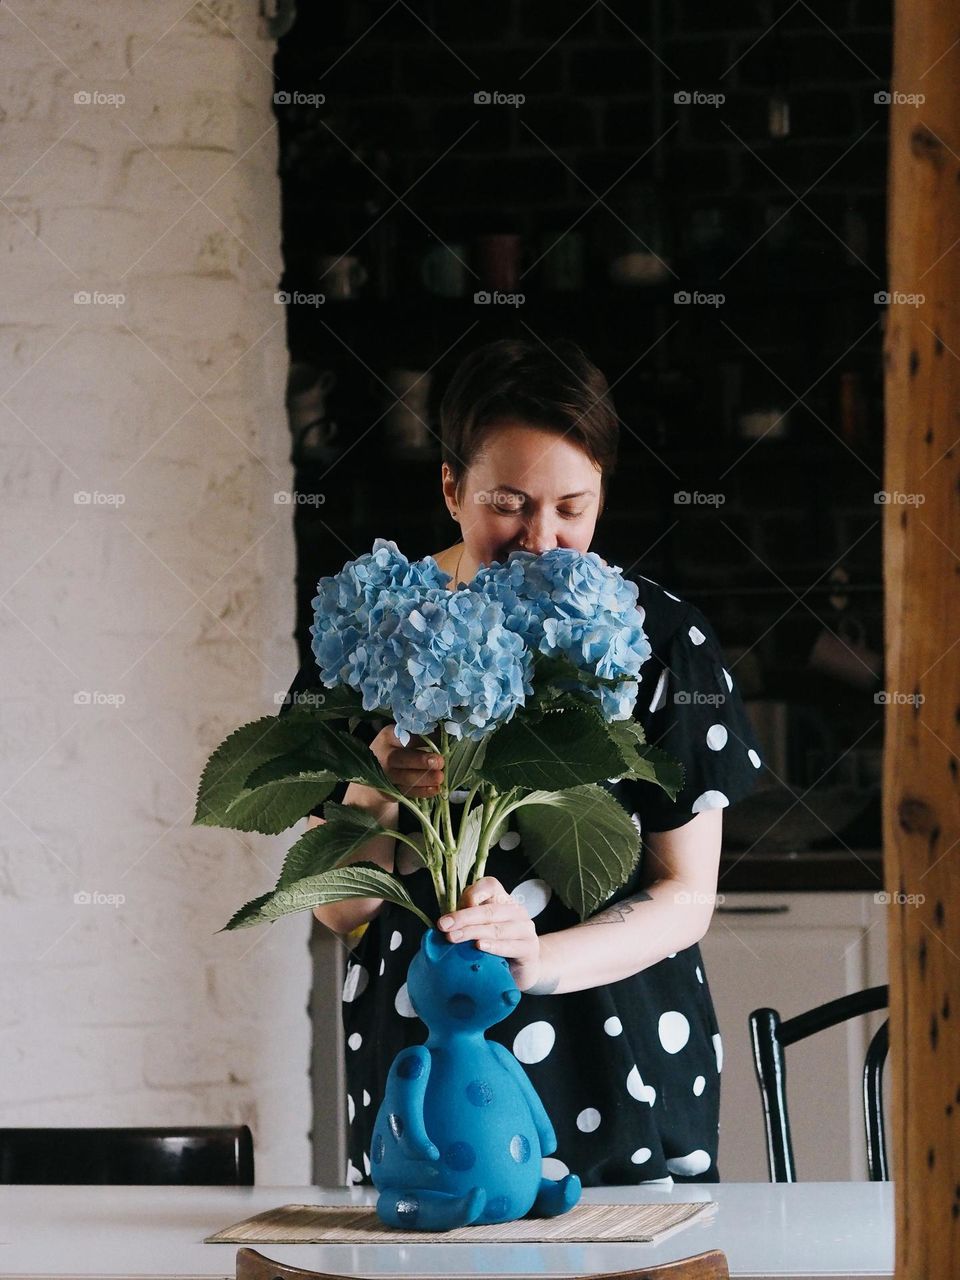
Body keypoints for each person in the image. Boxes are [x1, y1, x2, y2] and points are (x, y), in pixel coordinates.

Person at [279, 337, 765, 1188]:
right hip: (425, 1067)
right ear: (450, 488)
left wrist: (538, 960)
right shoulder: (369, 634)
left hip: (620, 1059)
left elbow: (685, 895)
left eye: (573, 507)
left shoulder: (661, 642)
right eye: (508, 503)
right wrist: (378, 788)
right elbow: (342, 911)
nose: (542, 539)